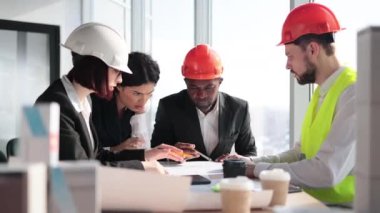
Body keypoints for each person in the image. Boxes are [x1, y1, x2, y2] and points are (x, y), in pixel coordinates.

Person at [222, 3, 356, 205]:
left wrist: (256, 170)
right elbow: (299, 154)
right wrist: (252, 162)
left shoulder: (355, 92)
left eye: (290, 56)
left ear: (312, 49)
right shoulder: (322, 92)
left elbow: (327, 171)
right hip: (314, 204)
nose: (287, 65)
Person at [35, 23, 181, 172]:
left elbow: (97, 157)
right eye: (116, 72)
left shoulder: (82, 101)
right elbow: (79, 171)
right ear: (96, 66)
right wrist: (142, 167)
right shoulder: (55, 105)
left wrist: (146, 155)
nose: (120, 80)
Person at [151, 44, 257, 161]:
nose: (201, 95)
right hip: (182, 178)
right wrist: (171, 153)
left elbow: (250, 153)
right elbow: (155, 155)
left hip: (223, 178)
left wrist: (236, 161)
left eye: (209, 88)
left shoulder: (239, 109)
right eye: (194, 88)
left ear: (220, 82)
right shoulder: (168, 107)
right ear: (186, 82)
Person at [91, 52, 183, 162]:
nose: (143, 101)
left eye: (149, 94)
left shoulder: (134, 109)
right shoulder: (94, 104)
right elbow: (88, 154)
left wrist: (163, 152)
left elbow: (141, 149)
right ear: (119, 84)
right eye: (137, 93)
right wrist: (116, 149)